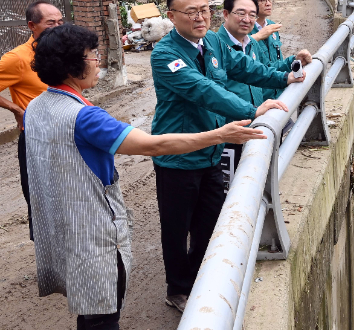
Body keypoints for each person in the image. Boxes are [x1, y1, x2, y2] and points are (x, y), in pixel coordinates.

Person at [25, 24, 266, 330]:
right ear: (73, 65)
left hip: (60, 224)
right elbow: (153, 145)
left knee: (89, 308)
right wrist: (219, 134)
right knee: (102, 312)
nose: (99, 61)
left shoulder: (36, 106)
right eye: (93, 55)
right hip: (92, 232)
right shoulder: (85, 117)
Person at [150, 0, 305, 312]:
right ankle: (177, 289)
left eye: (204, 9)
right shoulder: (166, 55)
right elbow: (203, 90)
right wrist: (252, 111)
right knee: (177, 228)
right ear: (172, 16)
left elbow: (245, 67)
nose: (200, 17)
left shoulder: (212, 44)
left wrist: (284, 78)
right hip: (178, 155)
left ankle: (199, 279)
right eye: (191, 12)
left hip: (211, 149)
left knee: (210, 221)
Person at [216, 0, 311, 166]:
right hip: (231, 131)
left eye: (252, 14)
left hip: (256, 124)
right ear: (226, 14)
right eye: (241, 13)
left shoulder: (251, 43)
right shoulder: (215, 47)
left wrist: (288, 73)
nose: (247, 19)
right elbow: (210, 92)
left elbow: (260, 71)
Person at [0, 0, 64, 239]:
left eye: (60, 21)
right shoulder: (17, 58)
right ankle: (49, 262)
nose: (57, 27)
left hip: (68, 133)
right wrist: (16, 109)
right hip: (38, 138)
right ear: (32, 26)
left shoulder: (61, 51)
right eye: (50, 23)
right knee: (42, 201)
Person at [244, 0, 297, 100]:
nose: (268, 4)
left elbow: (278, 60)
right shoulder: (243, 30)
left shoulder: (273, 26)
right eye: (262, 0)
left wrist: (294, 61)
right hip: (260, 97)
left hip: (279, 92)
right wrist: (257, 37)